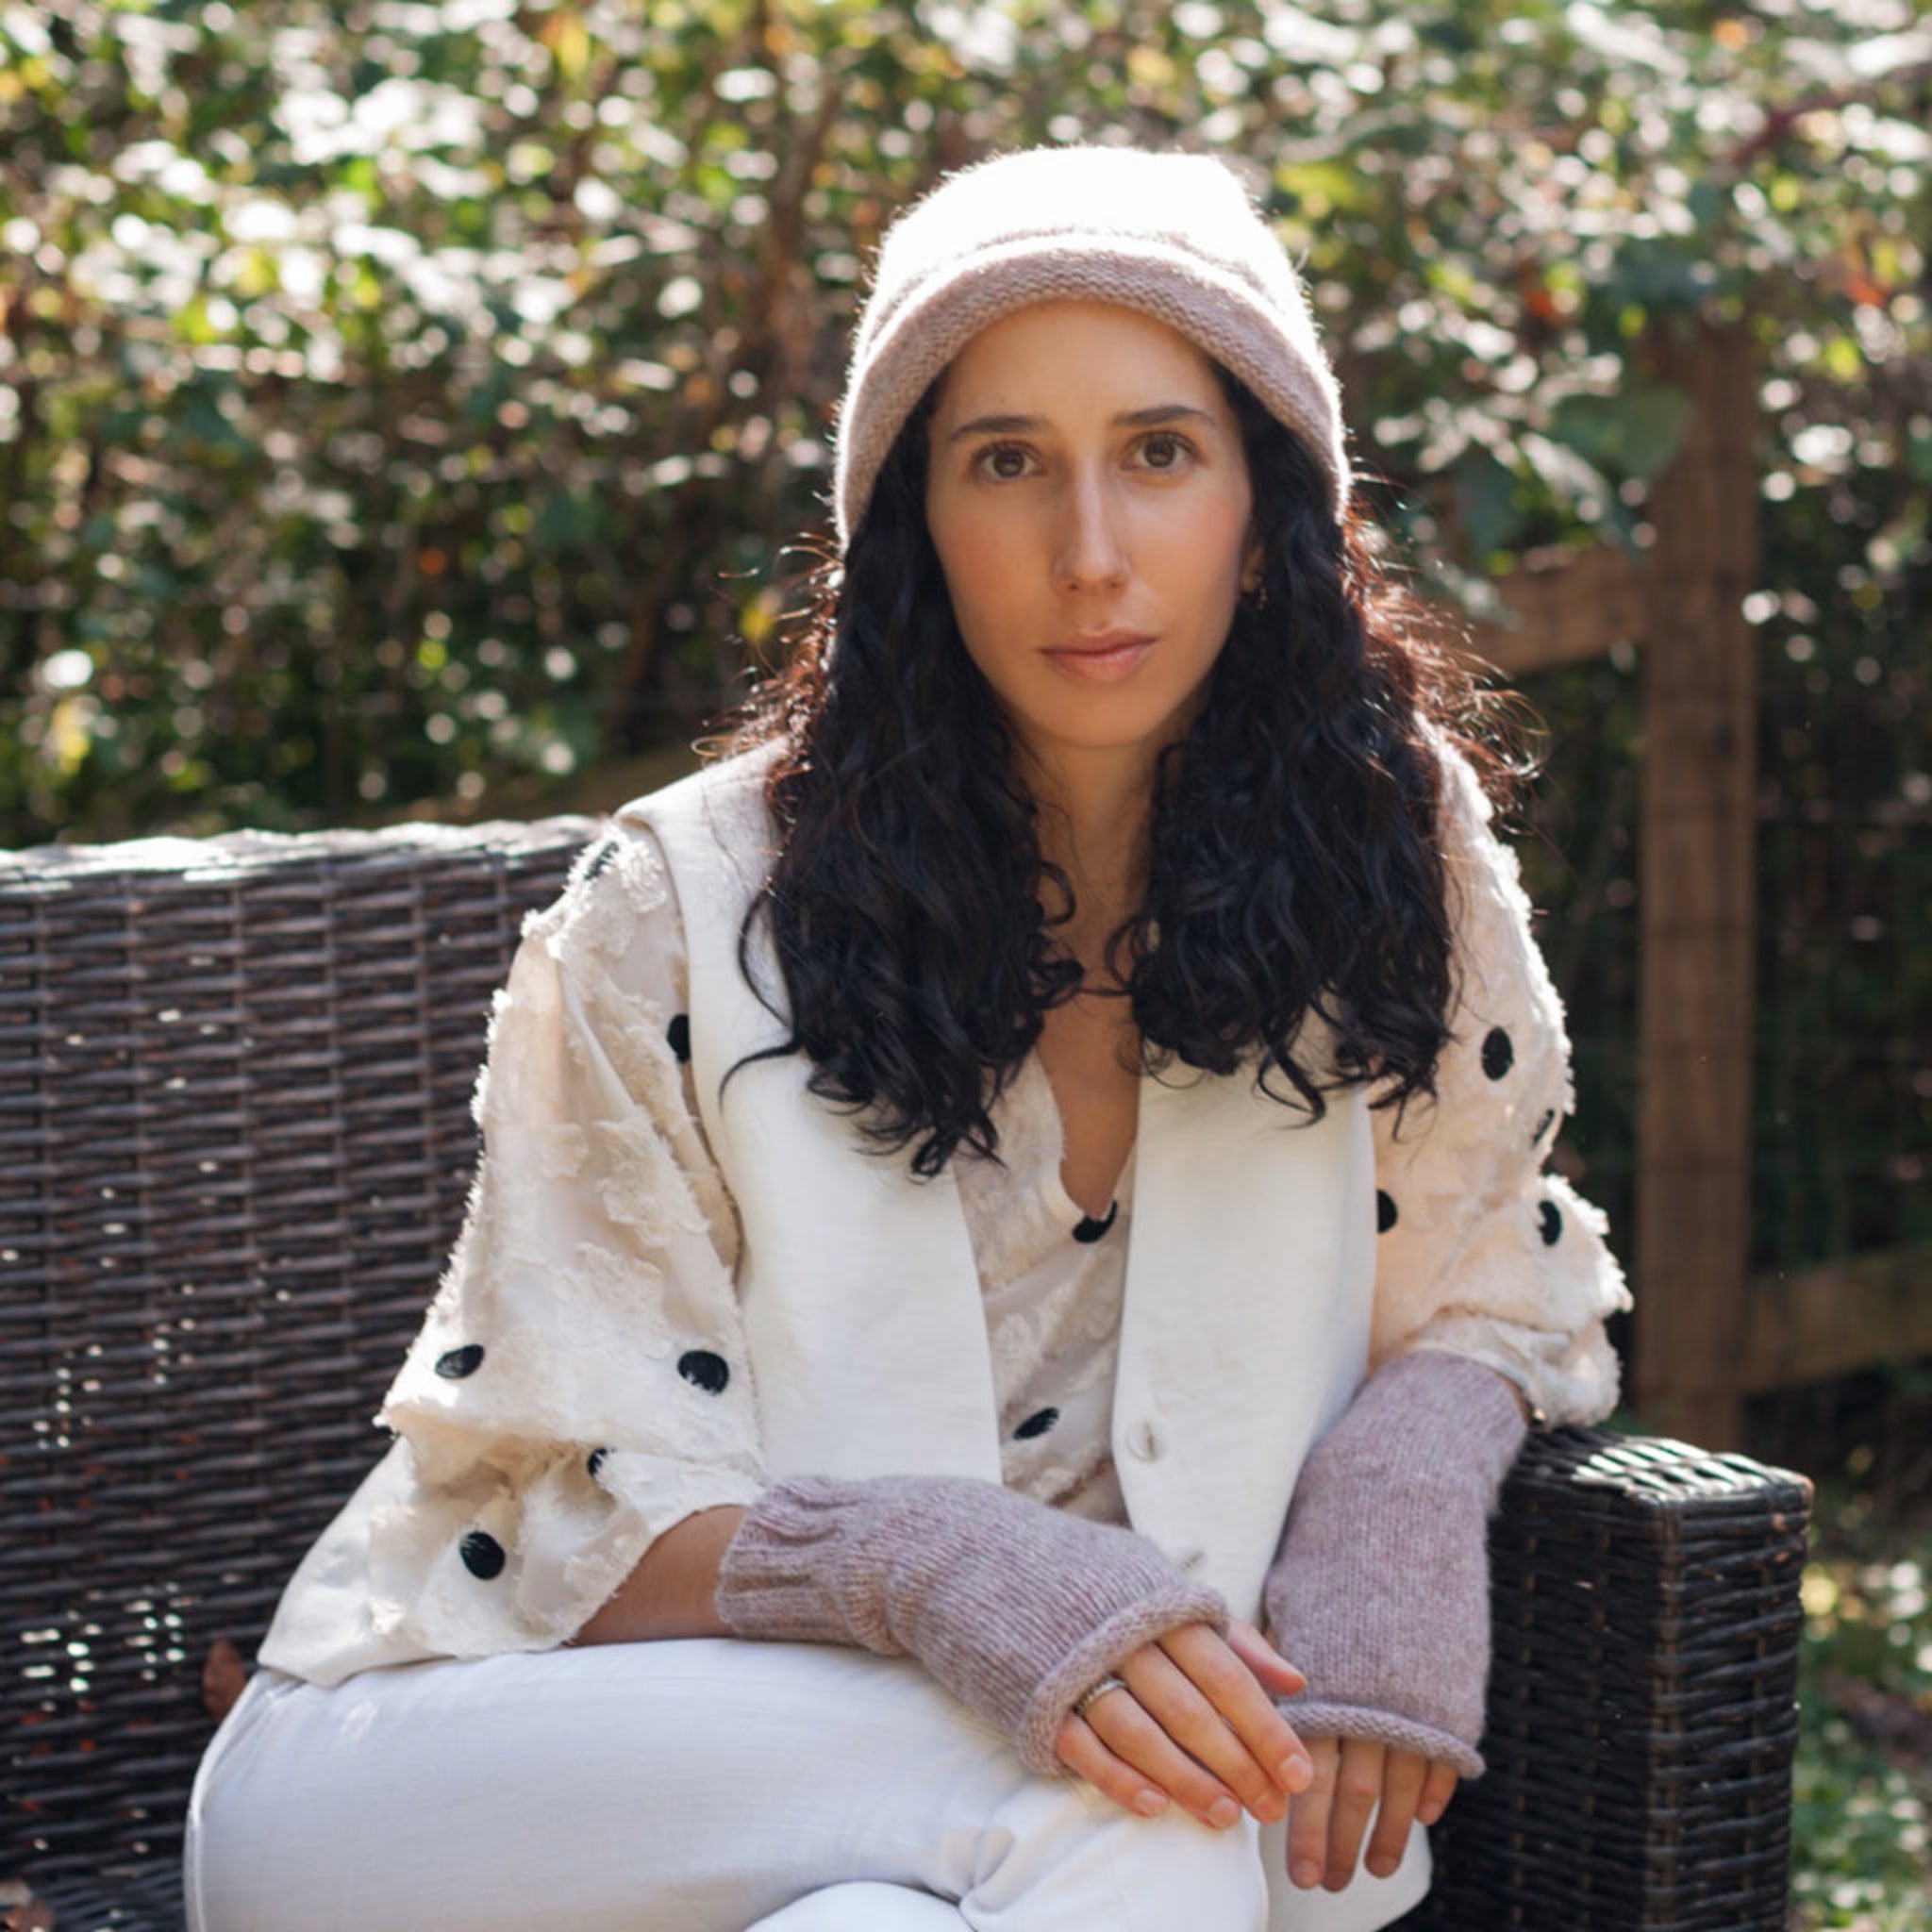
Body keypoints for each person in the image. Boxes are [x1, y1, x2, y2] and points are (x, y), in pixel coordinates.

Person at [185, 145, 1628, 1932]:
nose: (1088, 553)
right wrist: (919, 1561)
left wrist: (1404, 1483)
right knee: (1148, 1814)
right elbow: (556, 1474)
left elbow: (1497, 1263)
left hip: (922, 1854)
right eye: (1004, 461)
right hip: (449, 1769)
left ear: (1267, 505)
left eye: (1159, 454)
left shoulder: (1395, 861)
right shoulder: (683, 902)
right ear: (908, 520)